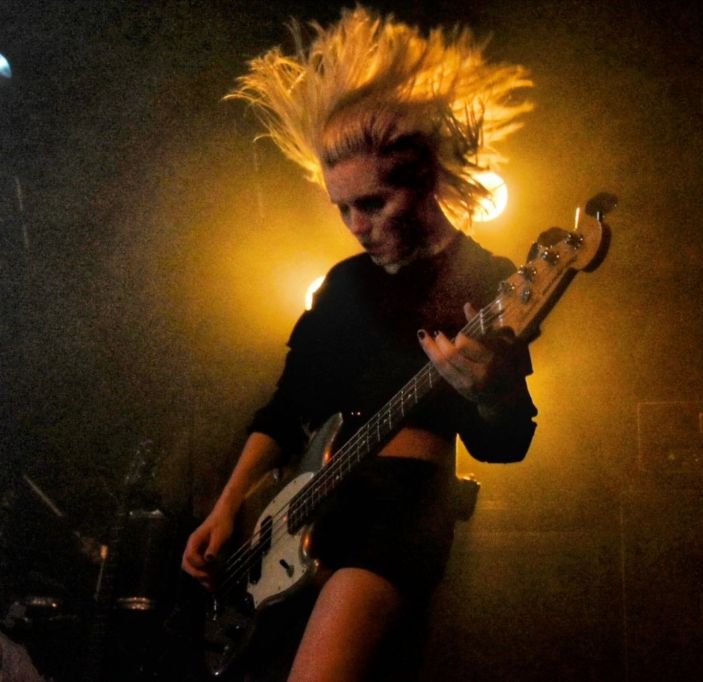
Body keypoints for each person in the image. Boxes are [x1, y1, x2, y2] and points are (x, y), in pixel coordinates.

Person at [182, 8, 537, 681]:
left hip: (400, 513)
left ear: (423, 184)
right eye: (341, 207)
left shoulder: (488, 281)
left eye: (371, 204)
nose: (354, 224)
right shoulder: (343, 285)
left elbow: (507, 442)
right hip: (304, 516)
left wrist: (489, 391)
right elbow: (286, 408)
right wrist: (228, 507)